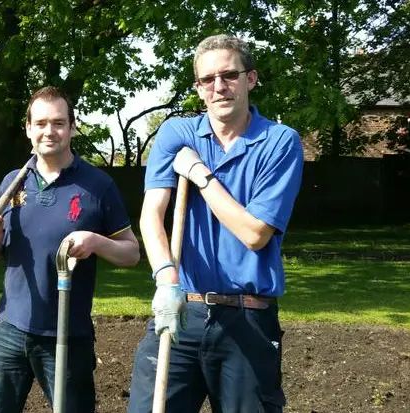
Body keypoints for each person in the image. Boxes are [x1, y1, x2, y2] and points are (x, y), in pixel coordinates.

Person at [127, 34, 304, 412]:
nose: (218, 87)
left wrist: (200, 175)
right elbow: (151, 214)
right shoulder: (177, 133)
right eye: (207, 79)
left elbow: (254, 234)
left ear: (250, 79)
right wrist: (164, 277)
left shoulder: (280, 142)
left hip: (248, 319)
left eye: (229, 75)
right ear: (198, 87)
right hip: (182, 311)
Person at [0, 86, 141, 412]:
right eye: (40, 123)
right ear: (28, 128)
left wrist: (96, 241)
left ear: (73, 126)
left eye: (58, 123)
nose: (49, 131)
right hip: (9, 328)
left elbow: (132, 253)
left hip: (67, 334)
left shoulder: (98, 185)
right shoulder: (13, 182)